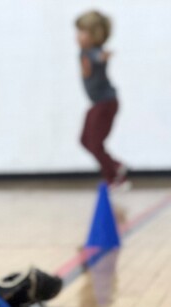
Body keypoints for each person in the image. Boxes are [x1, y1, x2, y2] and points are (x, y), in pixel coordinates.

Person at [76, 11, 127, 189]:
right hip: (97, 104)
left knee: (95, 143)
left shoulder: (93, 52)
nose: (78, 36)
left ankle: (114, 177)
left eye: (83, 32)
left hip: (106, 103)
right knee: (85, 140)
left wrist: (103, 57)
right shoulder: (83, 51)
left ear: (94, 35)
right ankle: (115, 166)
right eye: (78, 31)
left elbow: (98, 57)